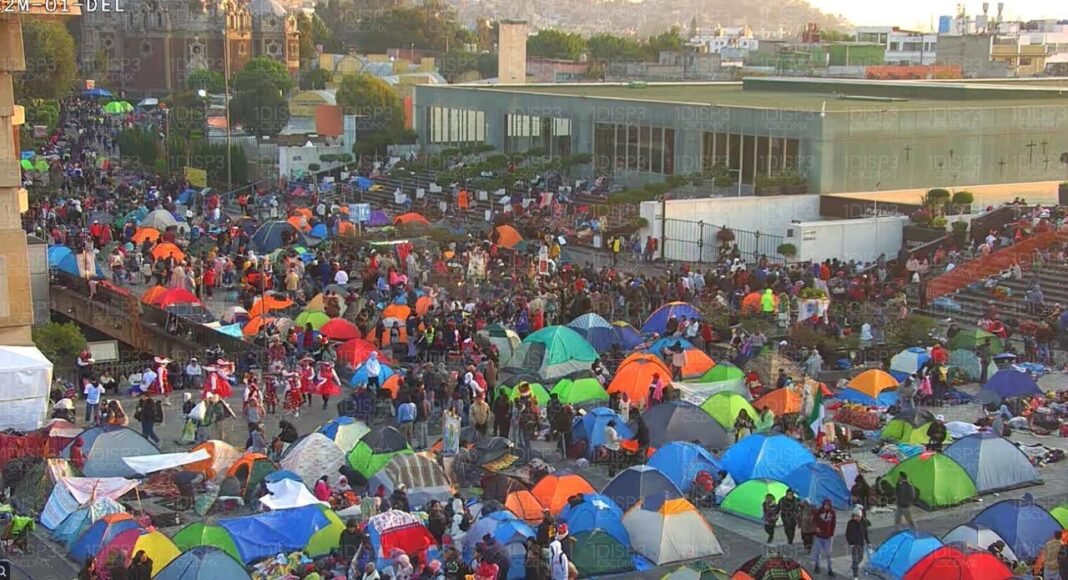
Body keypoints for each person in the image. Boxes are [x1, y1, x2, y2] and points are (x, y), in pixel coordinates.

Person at [811, 499, 836, 576]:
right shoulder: (819, 511)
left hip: (828, 536)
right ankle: (817, 566)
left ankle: (830, 569)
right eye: (825, 505)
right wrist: (816, 528)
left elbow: (833, 524)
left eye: (828, 505)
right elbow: (814, 520)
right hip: (819, 536)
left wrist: (831, 534)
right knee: (817, 552)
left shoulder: (832, 513)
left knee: (828, 553)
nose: (826, 507)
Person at [846, 505, 870, 580]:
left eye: (858, 516)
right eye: (855, 516)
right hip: (854, 544)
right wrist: (850, 544)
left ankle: (853, 567)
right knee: (855, 560)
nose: (856, 518)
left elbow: (865, 532)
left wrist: (868, 542)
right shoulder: (851, 523)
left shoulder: (863, 522)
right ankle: (855, 576)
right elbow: (847, 534)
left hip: (861, 543)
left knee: (861, 558)